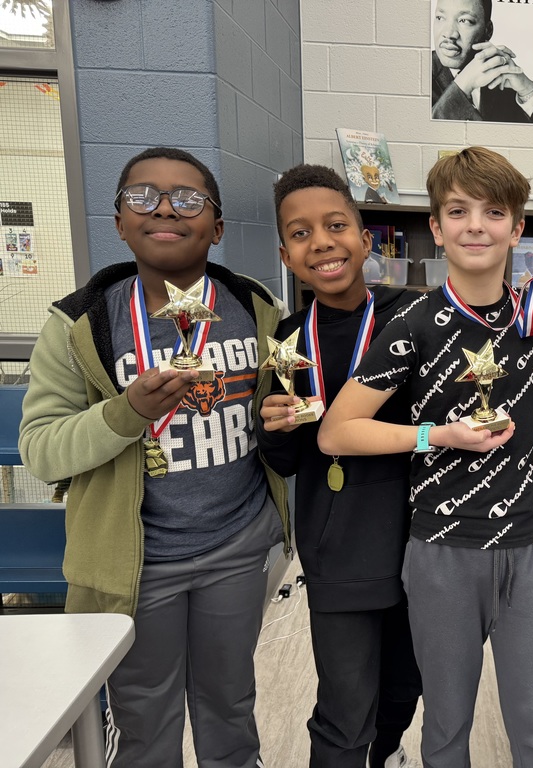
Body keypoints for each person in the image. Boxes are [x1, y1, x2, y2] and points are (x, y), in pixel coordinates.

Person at [318, 146, 533, 768]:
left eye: (494, 212)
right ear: (436, 227)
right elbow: (337, 432)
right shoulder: (414, 322)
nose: (475, 225)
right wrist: (436, 435)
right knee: (446, 726)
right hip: (442, 551)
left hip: (532, 550)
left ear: (517, 228)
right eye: (457, 211)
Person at [18, 147, 290, 768]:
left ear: (217, 228)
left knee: (231, 709)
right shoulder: (81, 323)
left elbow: (274, 414)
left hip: (235, 548)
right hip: (136, 565)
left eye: (189, 199)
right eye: (142, 196)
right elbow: (41, 452)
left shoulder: (255, 310)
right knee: (144, 721)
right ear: (118, 222)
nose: (165, 208)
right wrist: (125, 413)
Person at [255, 164, 422, 768]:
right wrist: (275, 424)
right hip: (339, 547)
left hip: (424, 539)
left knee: (405, 686)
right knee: (346, 704)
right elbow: (282, 459)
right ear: (285, 253)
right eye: (300, 234)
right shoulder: (286, 339)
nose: (321, 242)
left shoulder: (416, 316)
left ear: (365, 238)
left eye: (335, 225)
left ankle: (387, 755)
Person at [431, 0, 533, 124]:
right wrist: (463, 84)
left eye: (464, 20)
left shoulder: (502, 77)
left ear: (488, 31)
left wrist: (528, 91)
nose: (448, 33)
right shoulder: (415, 72)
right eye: (440, 18)